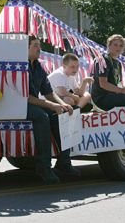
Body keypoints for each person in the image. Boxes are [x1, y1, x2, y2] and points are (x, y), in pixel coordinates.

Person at [26, 35, 80, 184]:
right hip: (21, 105)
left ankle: (64, 162)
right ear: (26, 48)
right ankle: (43, 166)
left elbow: (49, 93)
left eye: (39, 45)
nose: (39, 49)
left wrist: (61, 105)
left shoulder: (38, 66)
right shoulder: (21, 67)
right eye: (35, 46)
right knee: (42, 117)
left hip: (35, 102)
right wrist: (52, 106)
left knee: (64, 113)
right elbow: (26, 97)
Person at [91, 34, 125, 111]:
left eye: (121, 46)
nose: (118, 48)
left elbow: (117, 83)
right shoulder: (103, 60)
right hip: (101, 97)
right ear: (109, 46)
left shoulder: (118, 63)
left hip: (112, 94)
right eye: (115, 45)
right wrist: (122, 91)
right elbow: (103, 84)